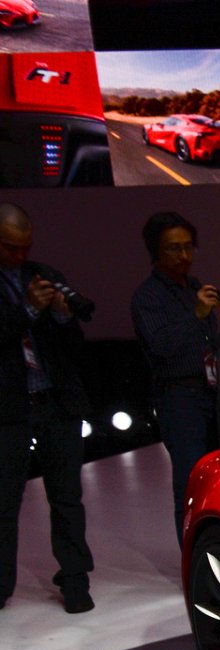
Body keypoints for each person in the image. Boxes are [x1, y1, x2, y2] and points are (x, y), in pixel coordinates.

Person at [0, 203, 93, 612]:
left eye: (26, 246)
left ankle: (75, 582)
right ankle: (1, 587)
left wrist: (59, 316)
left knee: (68, 498)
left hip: (56, 402)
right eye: (10, 248)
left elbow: (75, 349)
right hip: (8, 409)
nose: (21, 256)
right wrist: (28, 311)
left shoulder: (45, 275)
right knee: (5, 501)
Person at [132, 211, 220, 544]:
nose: (184, 255)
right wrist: (196, 314)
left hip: (211, 391)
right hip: (178, 397)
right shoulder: (147, 297)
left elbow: (203, 340)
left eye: (189, 247)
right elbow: (160, 346)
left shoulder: (196, 286)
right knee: (190, 484)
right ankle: (192, 559)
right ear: (156, 252)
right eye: (174, 248)